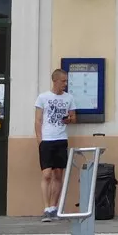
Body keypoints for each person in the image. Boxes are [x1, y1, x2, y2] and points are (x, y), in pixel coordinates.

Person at [35, 69, 76, 221]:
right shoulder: (43, 97)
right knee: (46, 174)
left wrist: (69, 120)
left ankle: (54, 207)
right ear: (55, 81)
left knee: (58, 174)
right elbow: (38, 120)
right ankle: (46, 207)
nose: (65, 84)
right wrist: (40, 141)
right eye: (63, 81)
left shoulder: (69, 98)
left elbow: (73, 117)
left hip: (61, 139)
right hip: (47, 140)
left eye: (66, 81)